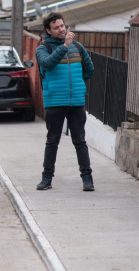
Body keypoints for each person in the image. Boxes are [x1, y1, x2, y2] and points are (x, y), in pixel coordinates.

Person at [36, 12, 95, 192]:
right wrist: (64, 46)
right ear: (48, 30)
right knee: (52, 141)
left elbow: (90, 69)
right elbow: (48, 64)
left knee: (80, 141)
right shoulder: (43, 49)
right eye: (56, 27)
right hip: (54, 102)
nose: (61, 29)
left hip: (76, 102)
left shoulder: (77, 47)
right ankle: (47, 178)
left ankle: (87, 179)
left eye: (62, 26)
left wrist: (76, 83)